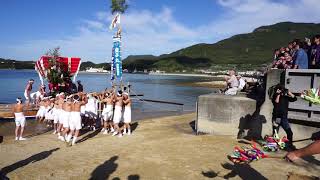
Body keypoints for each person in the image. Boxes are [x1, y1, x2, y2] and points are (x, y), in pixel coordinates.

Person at [272, 84, 297, 148]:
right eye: (280, 89)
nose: (281, 91)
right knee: (275, 133)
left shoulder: (286, 97)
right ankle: (273, 145)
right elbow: (276, 102)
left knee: (290, 133)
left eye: (282, 90)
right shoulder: (275, 96)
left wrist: (289, 92)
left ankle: (290, 145)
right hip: (277, 117)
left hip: (284, 117)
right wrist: (278, 94)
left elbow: (294, 99)